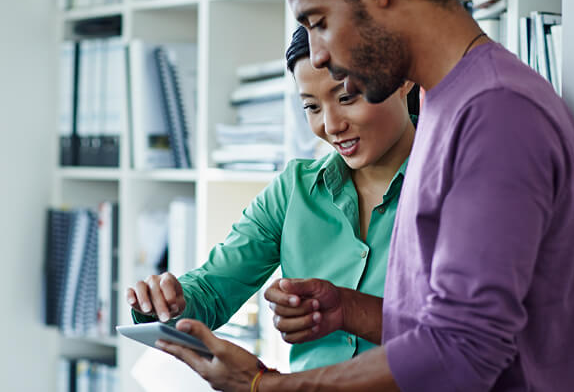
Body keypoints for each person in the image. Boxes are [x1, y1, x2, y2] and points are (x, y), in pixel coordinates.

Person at [157, 0, 574, 391]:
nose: (317, 53)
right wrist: (350, 309)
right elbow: (443, 327)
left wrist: (265, 385)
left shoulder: (497, 114)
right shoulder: (445, 103)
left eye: (318, 21)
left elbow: (462, 351)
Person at [126, 25, 416, 372]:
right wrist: (167, 302)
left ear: (402, 80)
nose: (331, 125)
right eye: (311, 107)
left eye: (345, 97)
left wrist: (351, 311)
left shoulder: (456, 184)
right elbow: (212, 290)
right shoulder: (293, 190)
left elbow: (469, 333)